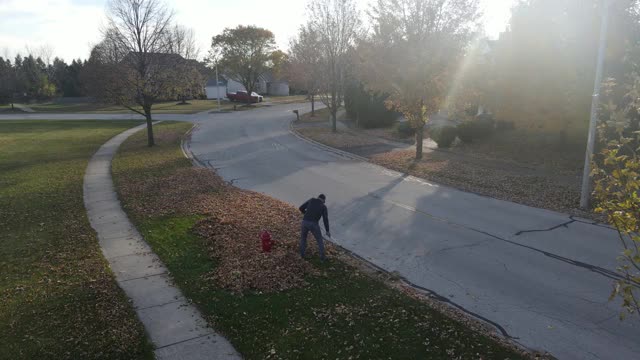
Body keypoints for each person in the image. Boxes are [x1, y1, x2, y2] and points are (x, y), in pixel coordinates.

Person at [299, 194, 330, 260]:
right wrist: (327, 231)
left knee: (303, 239)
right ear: (323, 199)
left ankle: (302, 255)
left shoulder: (311, 200)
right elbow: (325, 219)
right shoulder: (323, 206)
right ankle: (322, 258)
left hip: (304, 222)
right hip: (314, 224)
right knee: (319, 240)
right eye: (324, 201)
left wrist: (307, 214)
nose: (324, 202)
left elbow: (301, 208)